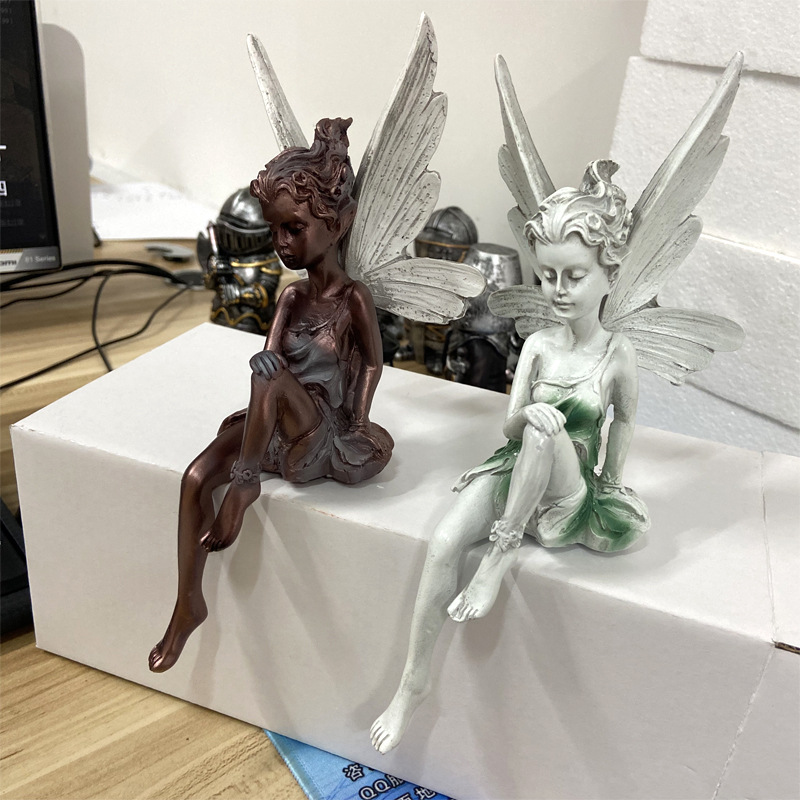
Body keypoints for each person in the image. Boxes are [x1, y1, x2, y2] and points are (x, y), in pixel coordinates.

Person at [370, 160, 649, 754]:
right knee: (444, 542)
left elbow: (623, 421)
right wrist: (531, 417)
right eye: (547, 276)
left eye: (574, 276)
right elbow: (510, 422)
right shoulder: (539, 346)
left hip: (569, 484)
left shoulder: (618, 354)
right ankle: (412, 684)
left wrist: (612, 482)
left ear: (610, 273)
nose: (559, 290)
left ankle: (499, 557)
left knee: (549, 435)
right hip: (516, 462)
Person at [149, 118, 393, 673]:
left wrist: (357, 419)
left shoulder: (353, 297)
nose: (281, 243)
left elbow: (372, 361)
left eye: (294, 228)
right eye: (275, 230)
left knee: (270, 376)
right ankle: (188, 603)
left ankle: (244, 485)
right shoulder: (288, 299)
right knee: (193, 476)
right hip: (272, 422)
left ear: (338, 223)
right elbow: (267, 364)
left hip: (316, 427)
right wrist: (265, 377)